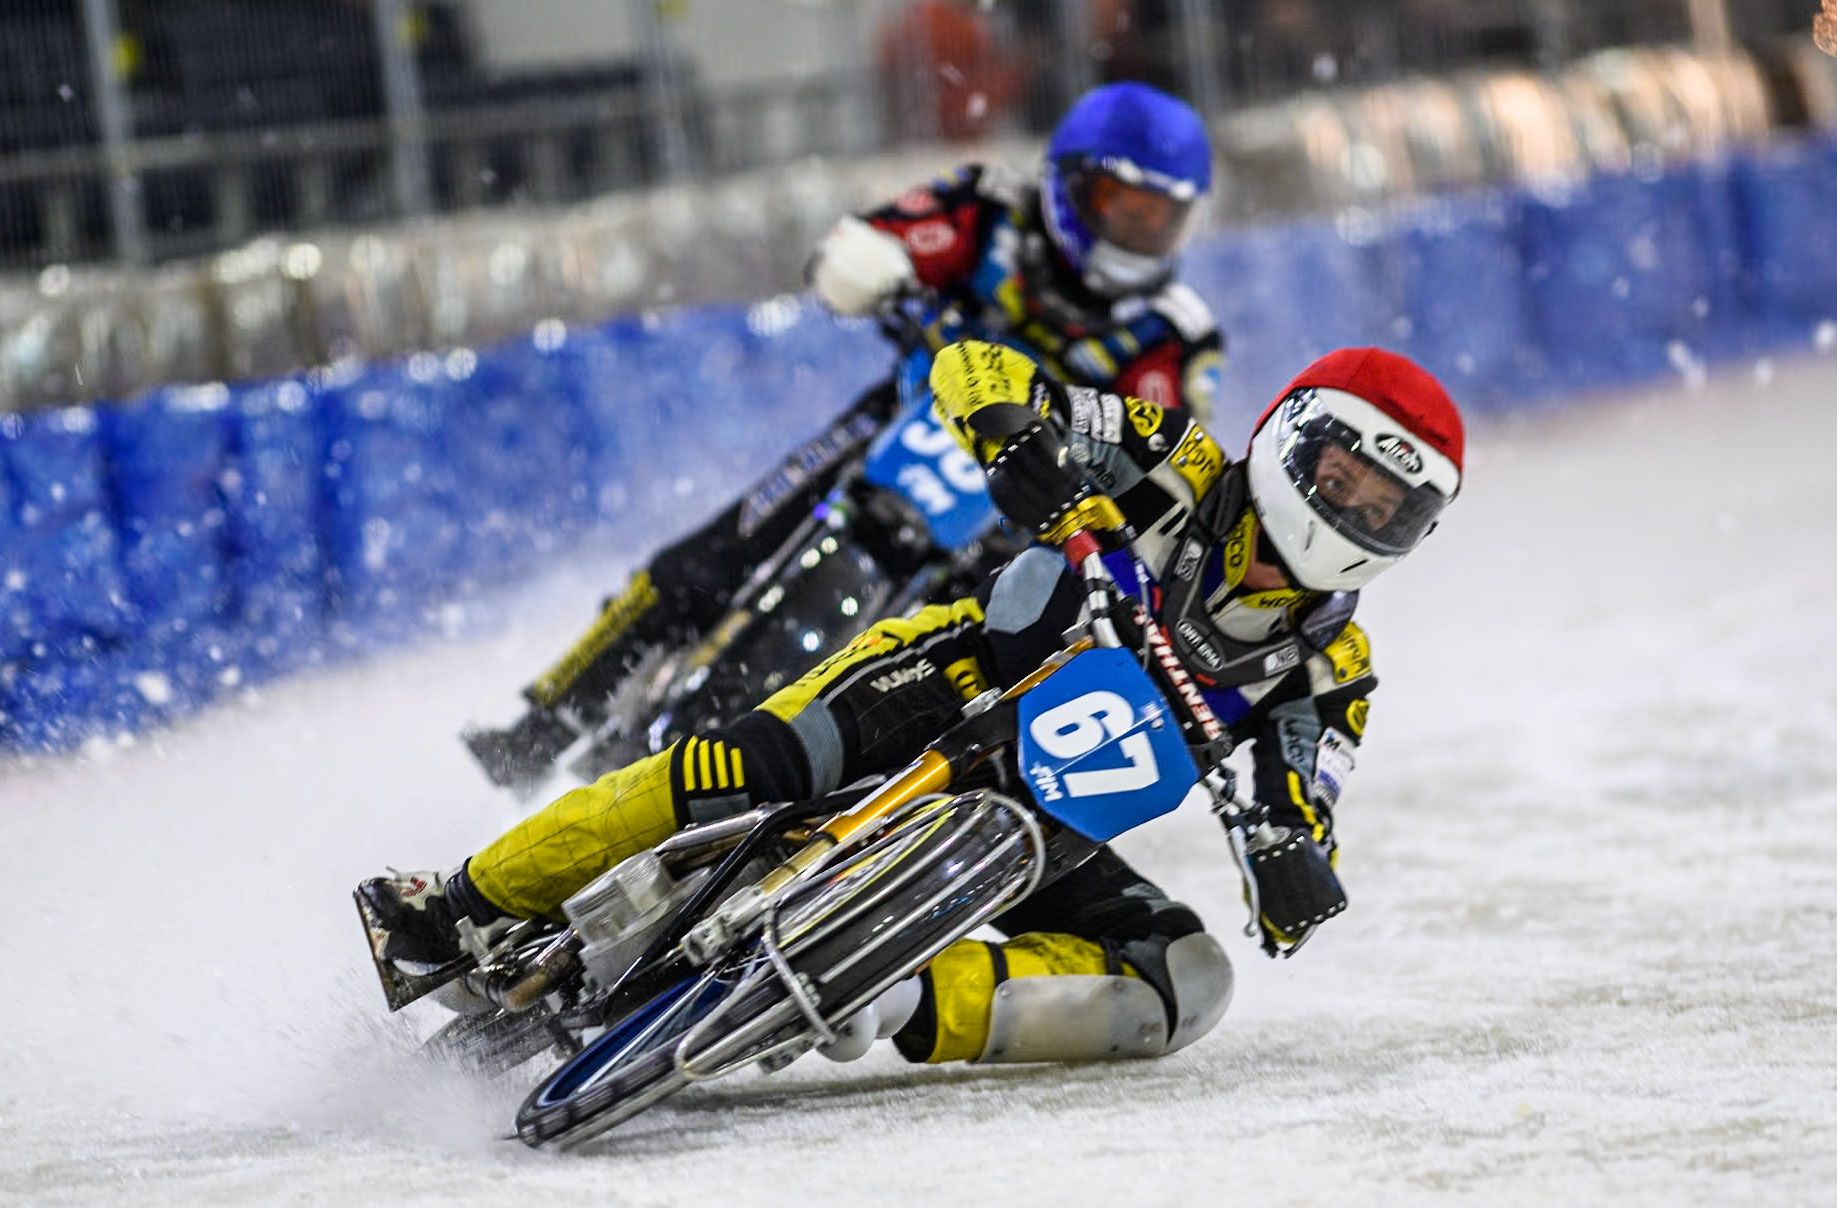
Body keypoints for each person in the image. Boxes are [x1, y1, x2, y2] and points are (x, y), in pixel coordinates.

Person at [363, 334, 1465, 1068]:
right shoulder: (1172, 460)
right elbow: (978, 365)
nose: (1353, 511)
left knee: (1182, 981)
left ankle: (886, 993)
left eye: (1387, 504)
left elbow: (1302, 805)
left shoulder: (1334, 672)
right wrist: (1014, 435)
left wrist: (1291, 868)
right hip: (940, 685)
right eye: (1342, 476)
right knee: (724, 773)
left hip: (1044, 839)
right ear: (1289, 441)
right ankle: (458, 903)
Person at [464, 81, 1227, 793]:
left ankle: (862, 800)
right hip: (887, 426)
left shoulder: (1178, 338)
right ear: (1068, 181)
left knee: (964, 668)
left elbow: (1162, 457)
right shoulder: (989, 208)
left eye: (1161, 215)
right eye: (1122, 203)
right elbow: (868, 244)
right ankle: (540, 725)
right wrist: (873, 267)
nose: (1140, 228)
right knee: (703, 561)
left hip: (1014, 509)